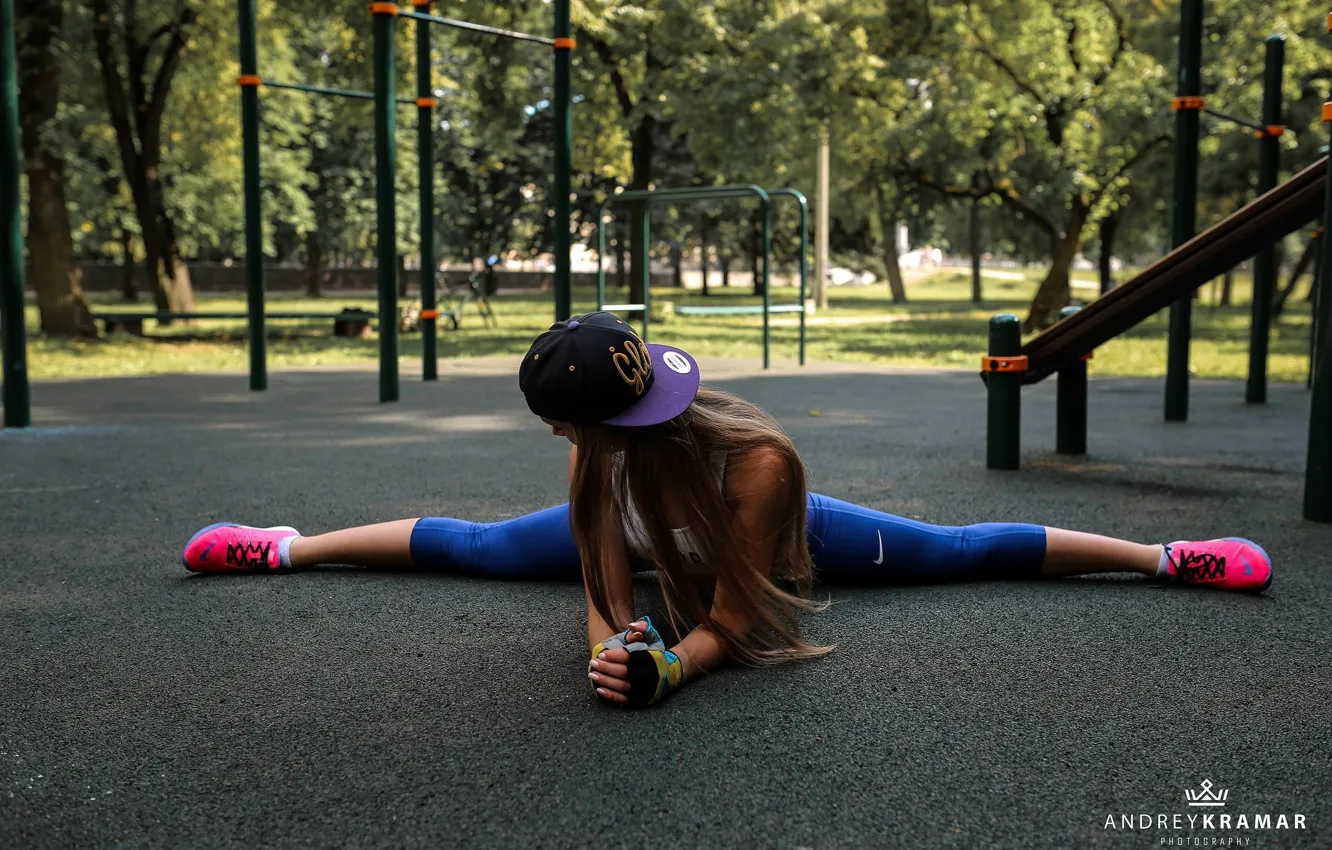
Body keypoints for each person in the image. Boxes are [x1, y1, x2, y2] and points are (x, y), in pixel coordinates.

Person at [182, 312, 1273, 708]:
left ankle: (1163, 554)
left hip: (769, 553)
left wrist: (673, 665)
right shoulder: (598, 468)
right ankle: (287, 548)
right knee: (472, 547)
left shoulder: (756, 464)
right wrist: (613, 648)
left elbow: (743, 615)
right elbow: (608, 587)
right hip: (663, 547)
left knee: (955, 552)